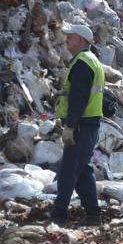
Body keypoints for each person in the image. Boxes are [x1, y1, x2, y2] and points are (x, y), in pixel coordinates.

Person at [48, 23, 105, 226]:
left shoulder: (82, 63)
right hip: (89, 124)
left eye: (70, 37)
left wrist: (70, 126)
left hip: (82, 125)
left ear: (81, 40)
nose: (66, 40)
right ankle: (93, 215)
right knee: (82, 171)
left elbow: (79, 98)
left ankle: (59, 215)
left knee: (68, 171)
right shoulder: (90, 60)